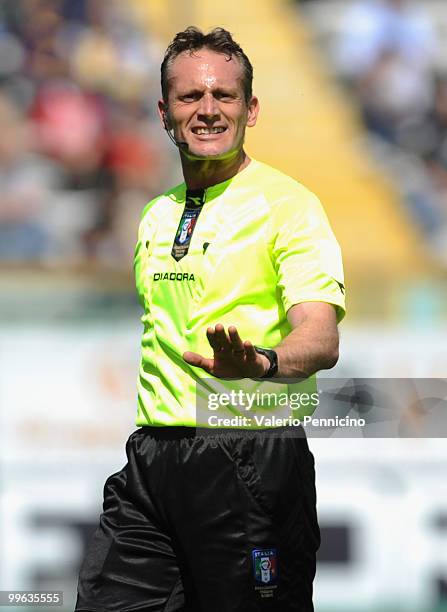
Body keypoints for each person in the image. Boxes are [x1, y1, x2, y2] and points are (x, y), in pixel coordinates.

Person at [75, 26, 345, 612]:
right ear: (164, 113)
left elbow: (321, 339)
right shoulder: (155, 213)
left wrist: (261, 362)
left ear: (250, 109)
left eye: (223, 95)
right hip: (152, 463)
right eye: (190, 97)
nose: (207, 110)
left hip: (251, 457)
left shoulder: (289, 205)